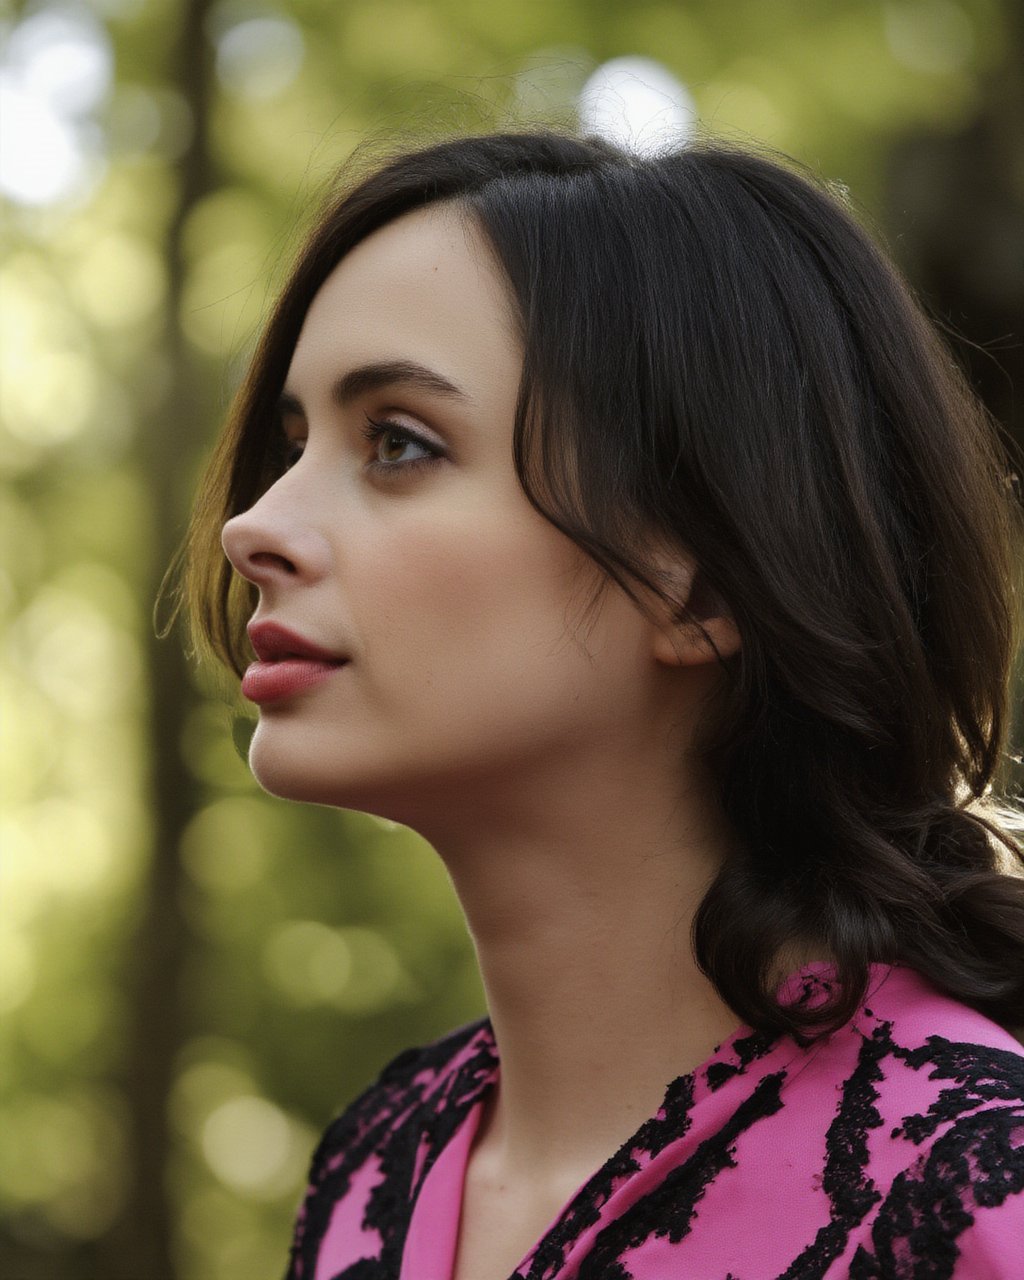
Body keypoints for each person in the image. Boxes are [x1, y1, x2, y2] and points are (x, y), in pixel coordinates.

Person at [183, 130, 1024, 1278]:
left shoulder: (970, 1182)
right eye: (294, 443)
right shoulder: (371, 1171)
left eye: (396, 441)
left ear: (710, 579)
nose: (253, 525)